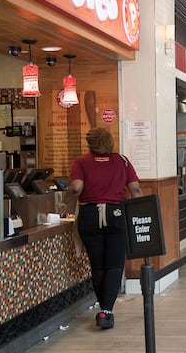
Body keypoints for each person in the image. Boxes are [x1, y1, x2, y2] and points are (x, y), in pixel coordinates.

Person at [58, 128, 142, 329]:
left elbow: (76, 187)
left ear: (90, 144)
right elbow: (136, 192)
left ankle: (103, 308)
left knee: (97, 266)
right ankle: (106, 311)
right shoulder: (122, 161)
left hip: (90, 216)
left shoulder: (81, 162)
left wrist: (64, 201)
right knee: (114, 265)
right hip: (116, 215)